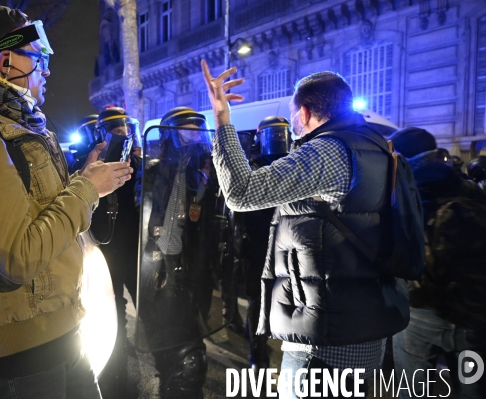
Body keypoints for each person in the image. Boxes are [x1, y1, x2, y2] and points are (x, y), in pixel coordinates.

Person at [0, 5, 132, 398]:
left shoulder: (25, 131)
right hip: (20, 358)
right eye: (39, 58)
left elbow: (51, 226)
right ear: (5, 59)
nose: (47, 70)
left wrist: (89, 183)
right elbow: (20, 256)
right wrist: (85, 189)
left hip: (63, 332)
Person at [202, 63, 411, 396]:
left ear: (304, 111)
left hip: (327, 335)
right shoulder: (377, 146)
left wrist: (222, 121)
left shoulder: (327, 149)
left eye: (292, 113)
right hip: (365, 318)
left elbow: (241, 193)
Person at [389, 128, 486, 399]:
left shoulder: (404, 190)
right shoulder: (467, 185)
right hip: (475, 312)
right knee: (473, 388)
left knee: (413, 388)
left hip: (422, 309)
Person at [136, 106, 219, 399]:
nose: (195, 133)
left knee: (188, 356)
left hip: (195, 272)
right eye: (187, 128)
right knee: (172, 354)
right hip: (157, 272)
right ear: (172, 133)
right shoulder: (153, 173)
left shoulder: (209, 174)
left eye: (198, 128)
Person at [89, 107, 141, 399]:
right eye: (116, 132)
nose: (123, 137)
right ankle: (115, 379)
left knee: (145, 307)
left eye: (125, 131)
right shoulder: (91, 164)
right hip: (106, 251)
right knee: (115, 316)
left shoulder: (139, 164)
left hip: (134, 249)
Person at [242, 115, 291, 371]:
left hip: (291, 248)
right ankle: (258, 355)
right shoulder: (253, 166)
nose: (278, 139)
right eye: (273, 134)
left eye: (282, 134)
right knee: (259, 305)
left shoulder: (295, 164)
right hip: (260, 246)